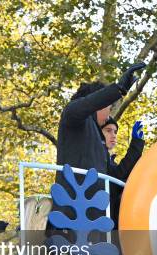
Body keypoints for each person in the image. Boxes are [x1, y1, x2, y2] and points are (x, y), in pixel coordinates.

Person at [52, 62, 146, 225]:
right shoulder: (72, 116)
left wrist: (136, 146)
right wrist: (119, 89)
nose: (109, 113)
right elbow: (86, 104)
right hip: (71, 213)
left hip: (96, 217)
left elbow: (114, 176)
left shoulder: (98, 139)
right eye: (108, 107)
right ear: (97, 104)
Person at [100, 117, 145, 228]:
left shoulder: (110, 160)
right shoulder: (98, 156)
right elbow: (118, 175)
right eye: (108, 130)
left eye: (115, 132)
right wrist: (136, 145)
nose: (114, 135)